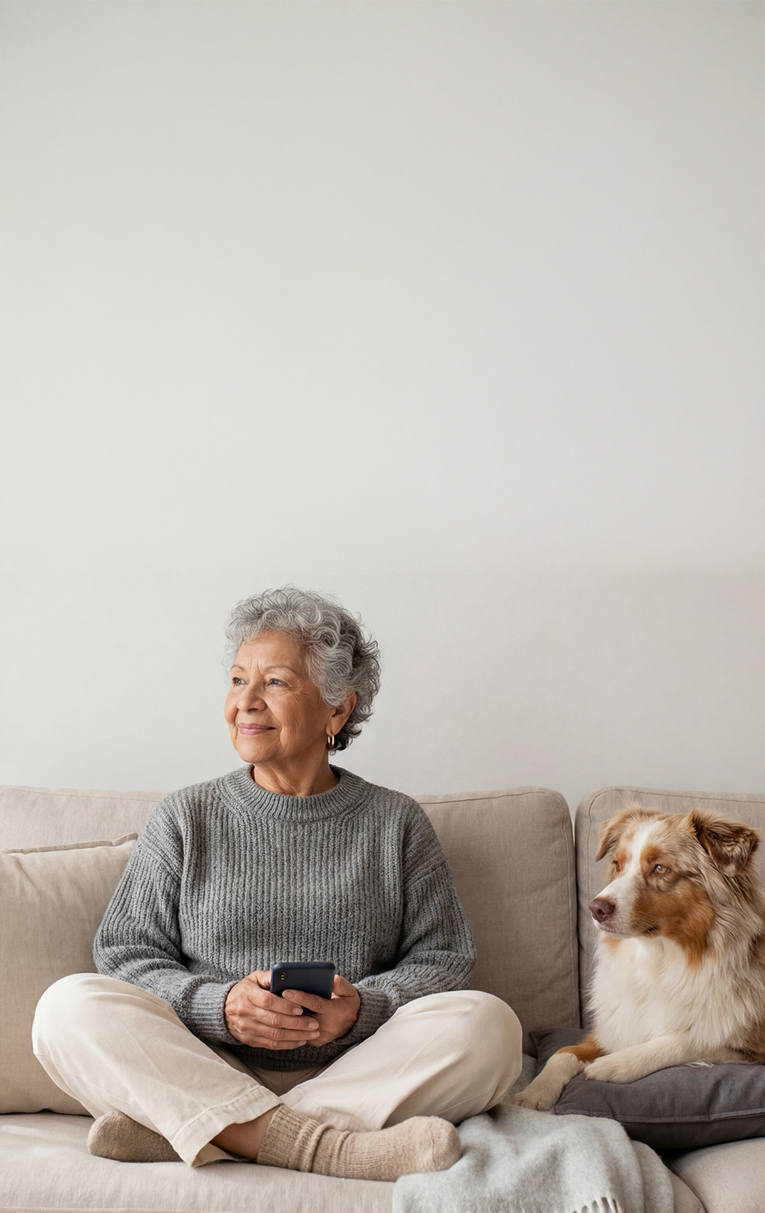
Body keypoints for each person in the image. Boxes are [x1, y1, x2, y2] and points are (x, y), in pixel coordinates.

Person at [33, 587, 521, 1180]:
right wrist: (220, 1007)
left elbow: (444, 959)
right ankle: (329, 1148)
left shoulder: (395, 822)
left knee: (490, 1025)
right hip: (207, 1062)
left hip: (356, 1069)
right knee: (67, 1009)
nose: (245, 702)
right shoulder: (187, 816)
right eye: (239, 680)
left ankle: (210, 1130)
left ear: (337, 709)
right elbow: (124, 953)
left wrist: (362, 1010)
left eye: (275, 682)